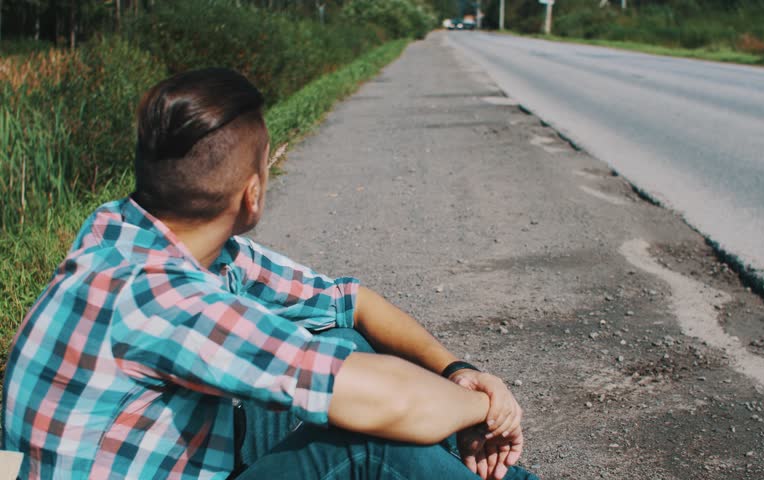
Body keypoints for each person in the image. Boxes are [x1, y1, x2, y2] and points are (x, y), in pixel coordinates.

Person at [2, 68, 538, 480]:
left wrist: (458, 371)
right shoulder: (163, 298)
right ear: (252, 194)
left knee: (346, 341)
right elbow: (394, 402)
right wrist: (486, 407)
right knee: (369, 439)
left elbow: (349, 302)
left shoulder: (122, 229)